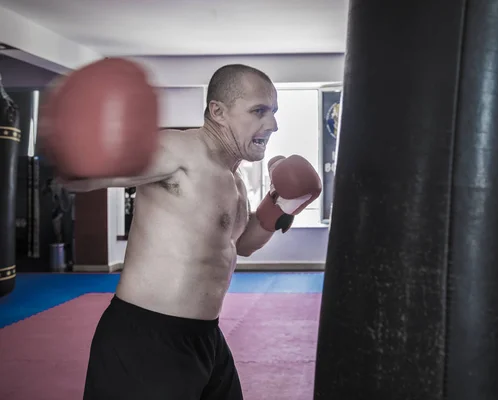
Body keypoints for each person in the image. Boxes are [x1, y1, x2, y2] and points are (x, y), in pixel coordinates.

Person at [51, 63, 322, 399]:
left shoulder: (235, 182)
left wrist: (280, 204)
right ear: (218, 112)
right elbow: (88, 176)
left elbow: (243, 245)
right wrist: (77, 144)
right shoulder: (179, 151)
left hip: (205, 338)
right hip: (146, 340)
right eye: (259, 111)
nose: (273, 124)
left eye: (274, 112)